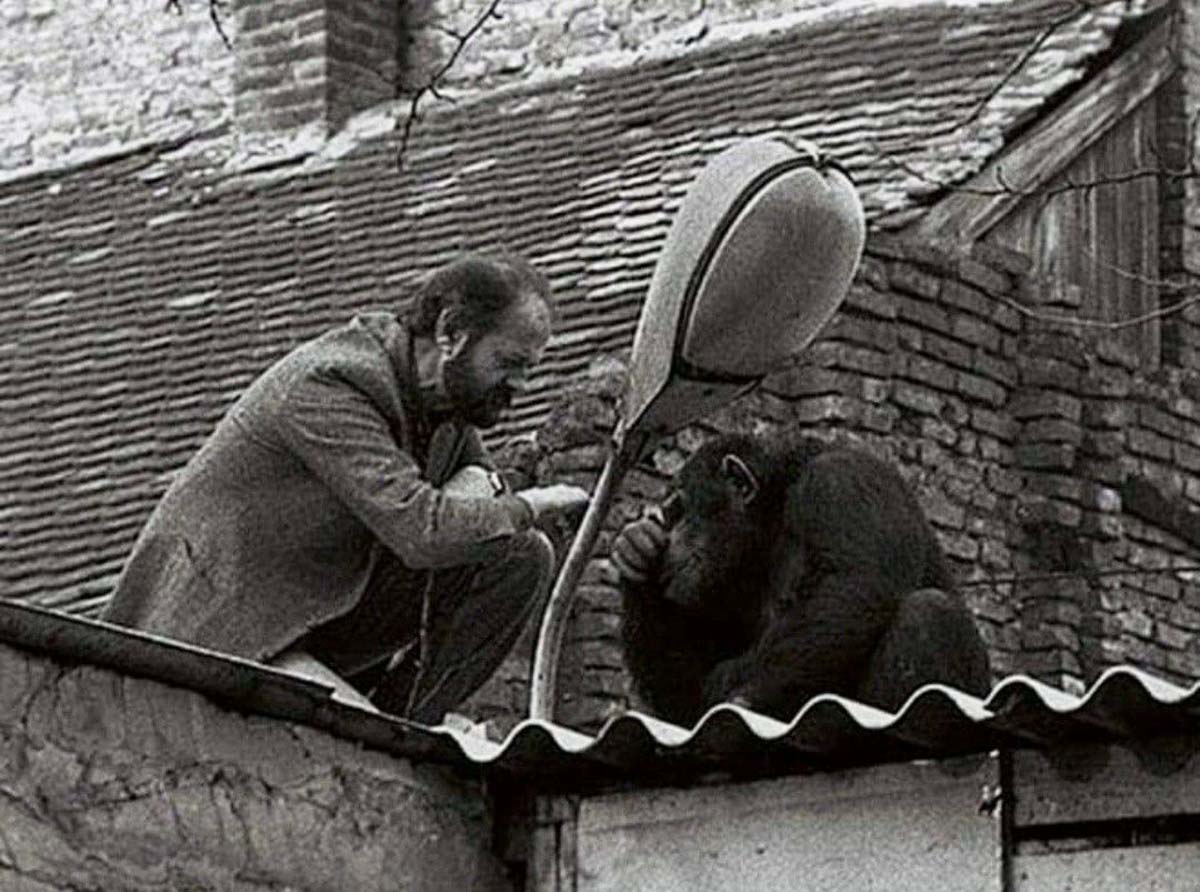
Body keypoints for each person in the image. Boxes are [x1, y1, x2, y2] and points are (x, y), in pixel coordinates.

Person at [102, 253, 589, 723]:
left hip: (310, 620)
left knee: (519, 557)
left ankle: (409, 725)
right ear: (450, 333)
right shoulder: (332, 383)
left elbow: (474, 521)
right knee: (499, 529)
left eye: (530, 368)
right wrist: (531, 502)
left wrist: (492, 492)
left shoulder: (445, 411)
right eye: (509, 362)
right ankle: (387, 736)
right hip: (219, 629)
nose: (521, 385)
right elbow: (423, 531)